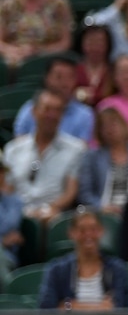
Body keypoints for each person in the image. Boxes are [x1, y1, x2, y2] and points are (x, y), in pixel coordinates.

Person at [3, 90, 85, 223]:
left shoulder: (76, 149)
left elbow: (70, 191)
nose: (52, 115)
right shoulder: (13, 149)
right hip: (17, 215)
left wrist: (50, 209)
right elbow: (7, 189)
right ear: (34, 111)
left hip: (54, 214)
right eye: (47, 109)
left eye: (57, 110)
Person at [37, 208, 128, 310]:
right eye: (82, 230)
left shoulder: (117, 268)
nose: (88, 235)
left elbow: (118, 307)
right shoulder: (56, 270)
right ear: (71, 233)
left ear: (101, 231)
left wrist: (68, 306)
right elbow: (46, 308)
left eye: (93, 229)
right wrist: (100, 307)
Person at [13, 55, 95, 143]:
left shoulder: (85, 115)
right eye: (59, 77)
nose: (65, 83)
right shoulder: (29, 109)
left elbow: (83, 151)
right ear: (47, 78)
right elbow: (19, 145)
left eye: (70, 77)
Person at [76, 106, 128, 214]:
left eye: (114, 123)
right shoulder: (91, 157)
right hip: (103, 211)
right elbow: (85, 193)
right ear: (99, 131)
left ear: (124, 125)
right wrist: (101, 207)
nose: (110, 129)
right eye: (104, 126)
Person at [74, 24, 116, 107]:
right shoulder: (74, 69)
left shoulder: (114, 70)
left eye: (99, 41)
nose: (94, 46)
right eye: (90, 41)